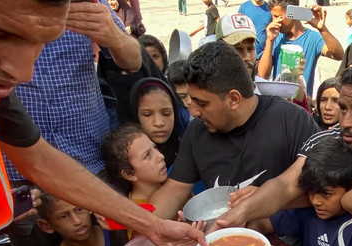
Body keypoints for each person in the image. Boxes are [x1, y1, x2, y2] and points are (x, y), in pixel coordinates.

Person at [0, 0, 207, 246]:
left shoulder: (0, 96)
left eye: (42, 43)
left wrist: (151, 226)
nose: (24, 73)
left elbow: (41, 162)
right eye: (0, 34)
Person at [214, 60, 352, 240]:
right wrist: (242, 211)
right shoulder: (325, 139)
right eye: (343, 108)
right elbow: (286, 185)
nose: (346, 122)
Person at [148, 41, 319, 220]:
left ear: (234, 99)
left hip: (284, 239)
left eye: (202, 103)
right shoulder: (197, 131)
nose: (193, 112)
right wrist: (149, 228)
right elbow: (174, 190)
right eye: (191, 100)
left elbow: (323, 191)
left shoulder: (291, 120)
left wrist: (265, 201)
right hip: (223, 239)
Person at [4, 0, 142, 184]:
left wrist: (114, 36)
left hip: (88, 159)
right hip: (19, 168)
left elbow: (134, 61)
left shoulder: (86, 3)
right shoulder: (2, 8)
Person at [216, 14, 311, 112]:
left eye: (250, 49)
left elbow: (302, 116)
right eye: (238, 50)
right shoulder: (208, 96)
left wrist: (293, 80)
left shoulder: (266, 92)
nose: (247, 57)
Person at [258, 1, 344, 95]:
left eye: (277, 16)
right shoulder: (275, 38)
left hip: (302, 103)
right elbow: (262, 75)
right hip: (279, 103)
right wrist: (269, 40)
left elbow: (339, 55)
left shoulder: (312, 38)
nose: (274, 21)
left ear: (293, 13)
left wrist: (322, 28)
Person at [102, 124, 168, 204]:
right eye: (147, 155)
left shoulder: (171, 181)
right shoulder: (137, 211)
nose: (161, 156)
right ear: (129, 174)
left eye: (155, 147)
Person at [130, 78, 182, 167]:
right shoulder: (128, 161)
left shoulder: (188, 153)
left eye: (166, 113)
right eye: (147, 114)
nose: (158, 123)